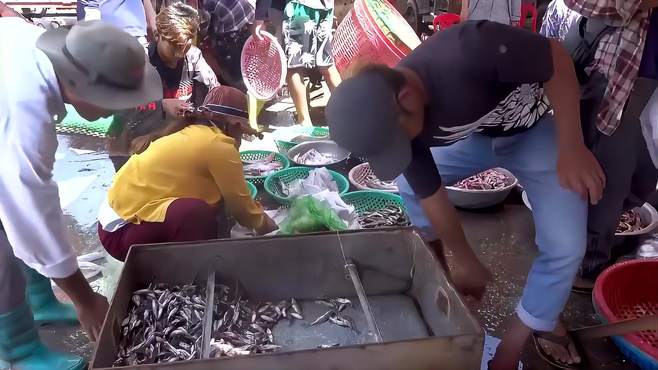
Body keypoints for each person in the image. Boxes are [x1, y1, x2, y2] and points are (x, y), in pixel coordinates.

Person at [326, 21, 605, 369]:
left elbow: (557, 58)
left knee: (567, 244)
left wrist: (571, 146)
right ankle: (436, 272)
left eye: (396, 143)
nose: (401, 150)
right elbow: (430, 192)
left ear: (407, 98)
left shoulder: (469, 50)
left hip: (536, 129)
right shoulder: (397, 117)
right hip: (475, 139)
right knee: (408, 184)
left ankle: (522, 336)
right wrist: (462, 259)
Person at [0, 18, 162, 370]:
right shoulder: (23, 107)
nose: (122, 110)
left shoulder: (45, 53)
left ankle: (39, 300)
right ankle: (18, 350)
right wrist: (84, 299)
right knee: (5, 236)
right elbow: (24, 202)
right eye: (117, 101)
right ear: (80, 88)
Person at [541, 0, 658, 292]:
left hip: (651, 84)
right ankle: (586, 266)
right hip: (621, 75)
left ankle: (594, 242)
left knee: (644, 176)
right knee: (607, 177)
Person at [97, 86, 278, 261]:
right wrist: (271, 227)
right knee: (196, 214)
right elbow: (242, 209)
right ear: (236, 126)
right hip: (119, 234)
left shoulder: (191, 131)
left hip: (120, 220)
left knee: (212, 205)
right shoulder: (219, 144)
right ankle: (192, 270)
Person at [108, 1, 220, 171]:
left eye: (184, 46)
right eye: (173, 47)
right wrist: (162, 106)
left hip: (177, 139)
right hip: (140, 143)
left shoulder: (193, 57)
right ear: (158, 34)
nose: (178, 55)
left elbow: (216, 95)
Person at [253, 0, 341, 126]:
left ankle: (304, 121)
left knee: (293, 66)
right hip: (324, 7)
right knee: (327, 64)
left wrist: (259, 17)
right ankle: (353, 113)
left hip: (299, 7)